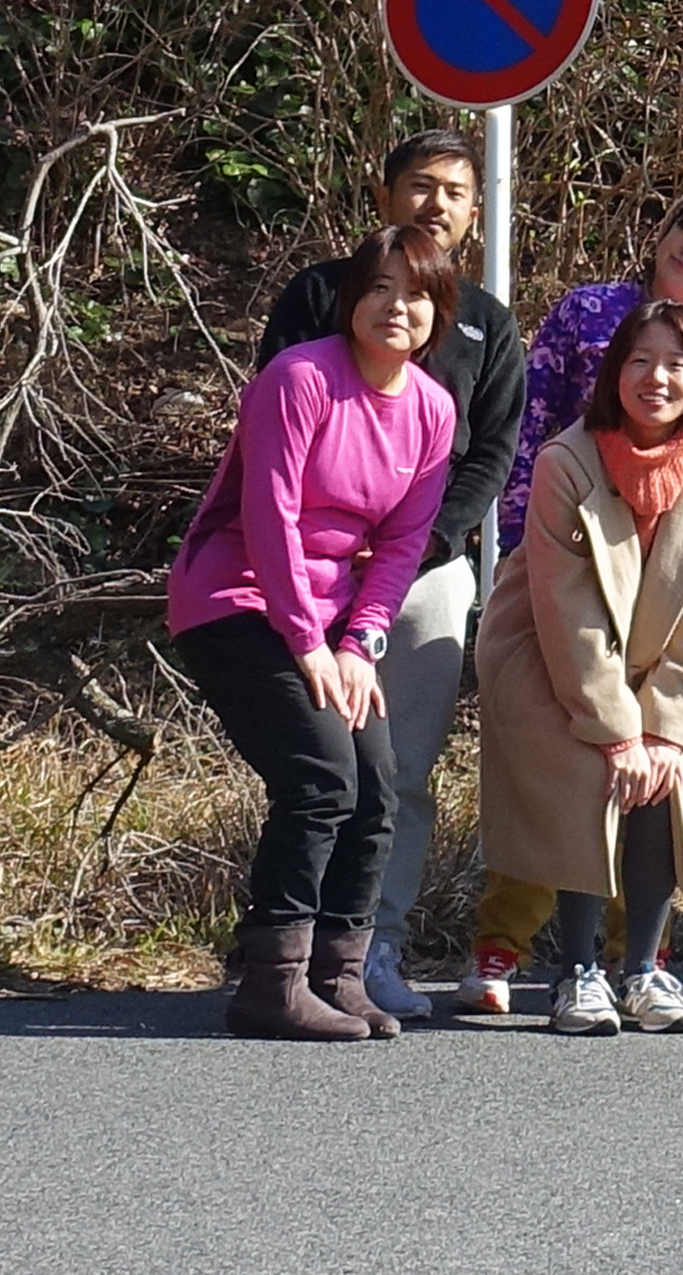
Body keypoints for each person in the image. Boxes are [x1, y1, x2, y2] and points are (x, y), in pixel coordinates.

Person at [464, 178, 683, 1013]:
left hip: (659, 575)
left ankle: (636, 961)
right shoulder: (589, 310)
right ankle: (510, 950)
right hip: (565, 544)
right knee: (564, 770)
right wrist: (519, 523)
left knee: (648, 772)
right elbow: (532, 420)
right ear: (662, 229)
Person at [250, 128, 528, 1022]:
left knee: (400, 766)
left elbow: (491, 456)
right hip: (302, 565)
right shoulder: (323, 294)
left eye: (454, 190)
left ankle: (371, 948)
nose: (435, 204)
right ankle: (279, 947)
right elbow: (275, 425)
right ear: (384, 194)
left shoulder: (486, 321)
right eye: (419, 185)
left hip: (424, 571)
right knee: (310, 760)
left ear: (473, 210)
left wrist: (433, 544)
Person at [170, 217, 465, 1041]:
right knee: (319, 776)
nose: (395, 307)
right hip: (235, 598)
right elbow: (269, 515)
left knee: (376, 783)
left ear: (439, 313)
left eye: (415, 295)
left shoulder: (433, 411)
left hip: (334, 619)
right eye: (378, 288)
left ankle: (340, 975)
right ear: (349, 300)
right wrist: (306, 643)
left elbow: (405, 542)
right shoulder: (299, 379)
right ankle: (272, 980)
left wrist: (359, 642)